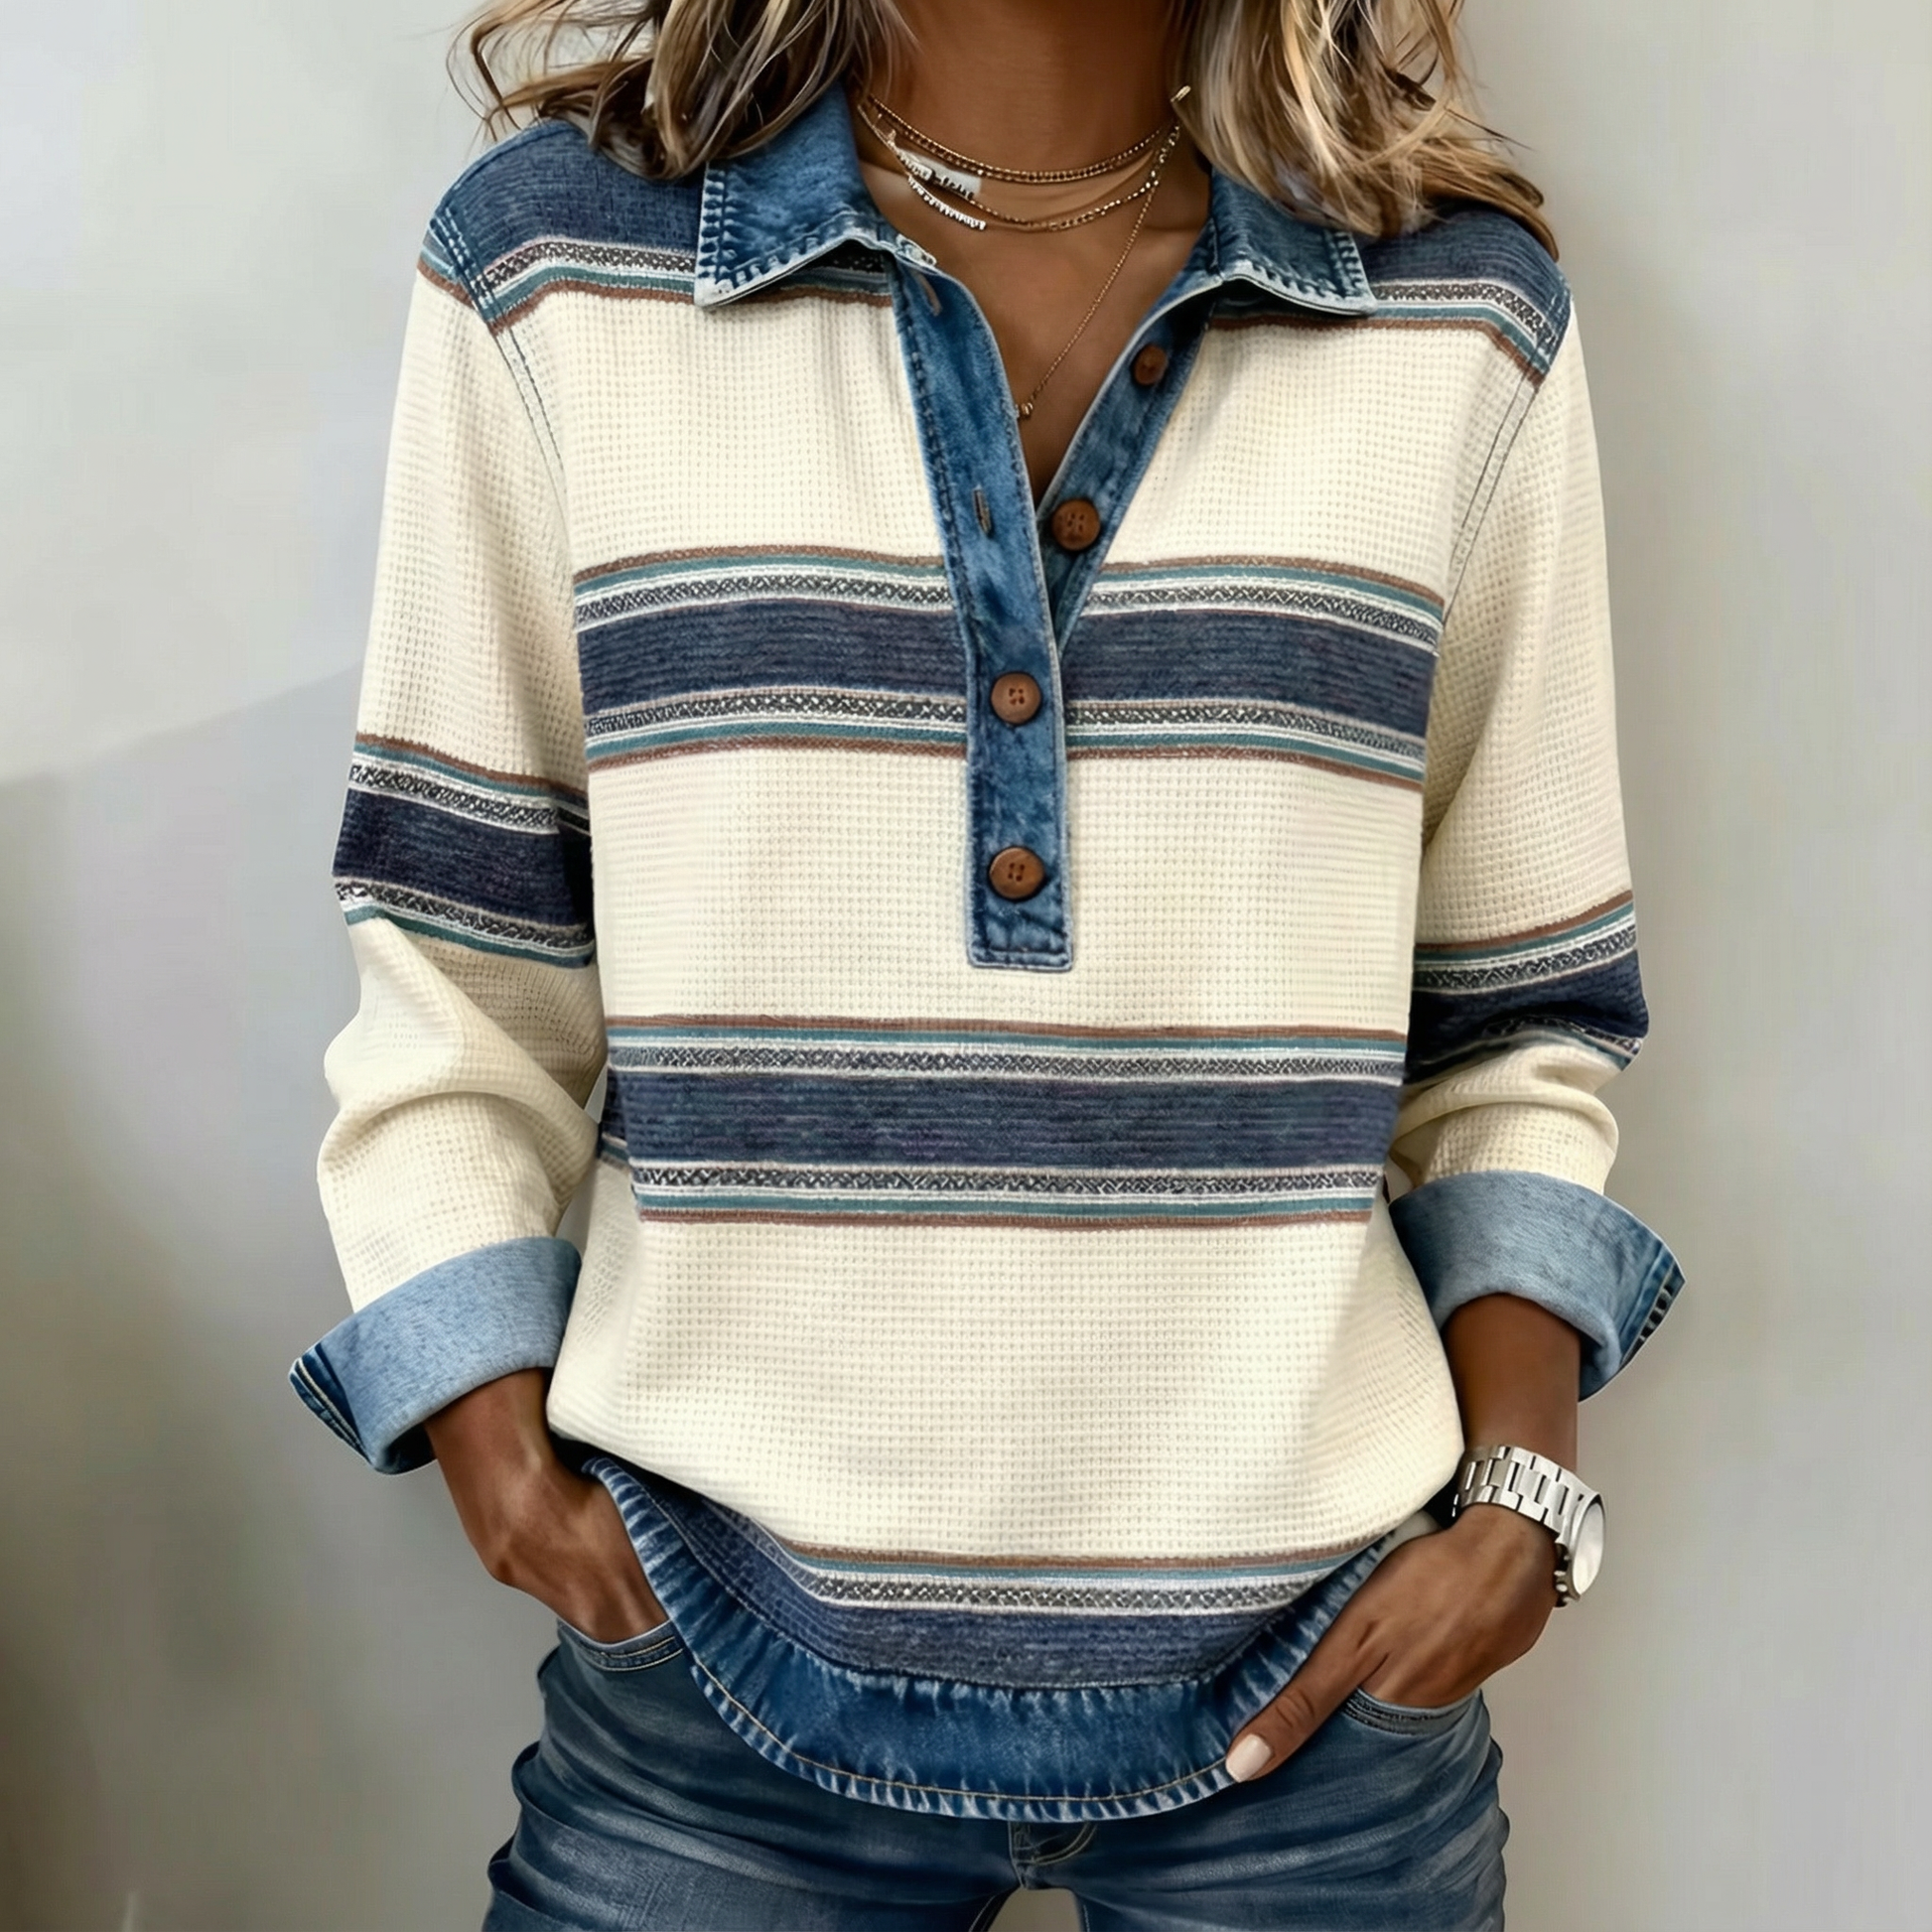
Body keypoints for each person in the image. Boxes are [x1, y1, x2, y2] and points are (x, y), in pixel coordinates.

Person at [291, 0, 1683, 1923]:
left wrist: (1522, 1497)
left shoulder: (1453, 313)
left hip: (1323, 1679)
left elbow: (1517, 1017)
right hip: (712, 1658)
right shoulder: (554, 273)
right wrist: (488, 1434)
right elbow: (463, 956)